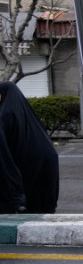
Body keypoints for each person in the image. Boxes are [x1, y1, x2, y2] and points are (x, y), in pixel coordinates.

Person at [0, 81, 59, 213]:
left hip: (26, 172)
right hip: (45, 168)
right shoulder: (26, 114)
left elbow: (5, 162)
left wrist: (15, 198)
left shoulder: (4, 117)